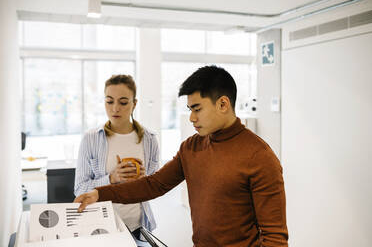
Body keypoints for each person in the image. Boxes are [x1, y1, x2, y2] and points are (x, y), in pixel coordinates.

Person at [75, 66, 288, 246]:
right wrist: (99, 194)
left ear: (223, 104)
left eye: (197, 109)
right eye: (189, 109)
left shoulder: (259, 156)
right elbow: (154, 185)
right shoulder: (191, 147)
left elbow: (275, 236)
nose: (191, 118)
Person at [74, 74, 159, 240]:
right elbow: (79, 189)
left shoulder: (149, 139)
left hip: (137, 225)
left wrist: (144, 180)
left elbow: (155, 187)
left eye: (123, 102)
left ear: (134, 104)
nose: (115, 108)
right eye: (109, 101)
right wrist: (111, 178)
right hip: (100, 225)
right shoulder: (91, 139)